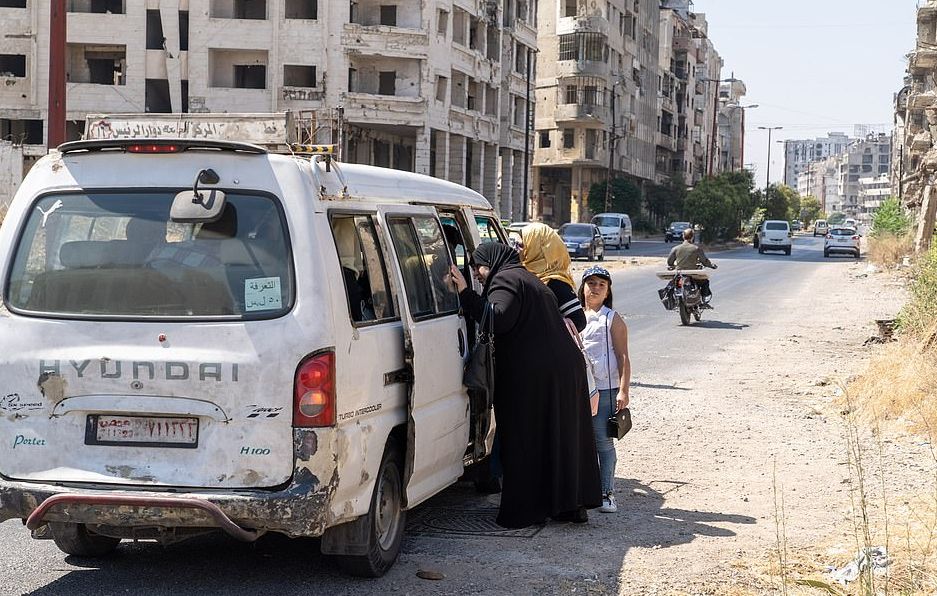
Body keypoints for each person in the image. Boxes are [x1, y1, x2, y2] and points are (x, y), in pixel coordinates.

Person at [448, 243, 602, 528]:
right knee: (557, 437)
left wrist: (465, 294)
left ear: (490, 263)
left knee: (525, 438)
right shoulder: (525, 277)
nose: (477, 275)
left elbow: (498, 318)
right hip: (560, 371)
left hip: (538, 376)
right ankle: (568, 505)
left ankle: (525, 511)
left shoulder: (506, 279)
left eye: (478, 268)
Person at [578, 266, 631, 513]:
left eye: (601, 284)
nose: (595, 288)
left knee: (603, 442)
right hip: (580, 389)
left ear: (608, 290)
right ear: (583, 287)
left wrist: (623, 391)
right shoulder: (575, 316)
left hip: (606, 389)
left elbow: (623, 357)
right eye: (591, 283)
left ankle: (607, 493)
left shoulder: (612, 318)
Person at [519, 223, 586, 332]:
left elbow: (579, 321)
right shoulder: (524, 275)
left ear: (536, 248)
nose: (518, 249)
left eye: (522, 245)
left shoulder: (554, 283)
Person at [666, 227, 717, 303]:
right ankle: (703, 300)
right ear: (692, 237)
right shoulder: (696, 249)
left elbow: (669, 262)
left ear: (683, 236)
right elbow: (704, 261)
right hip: (693, 274)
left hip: (680, 273)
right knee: (705, 282)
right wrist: (712, 265)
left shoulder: (675, 249)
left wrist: (673, 266)